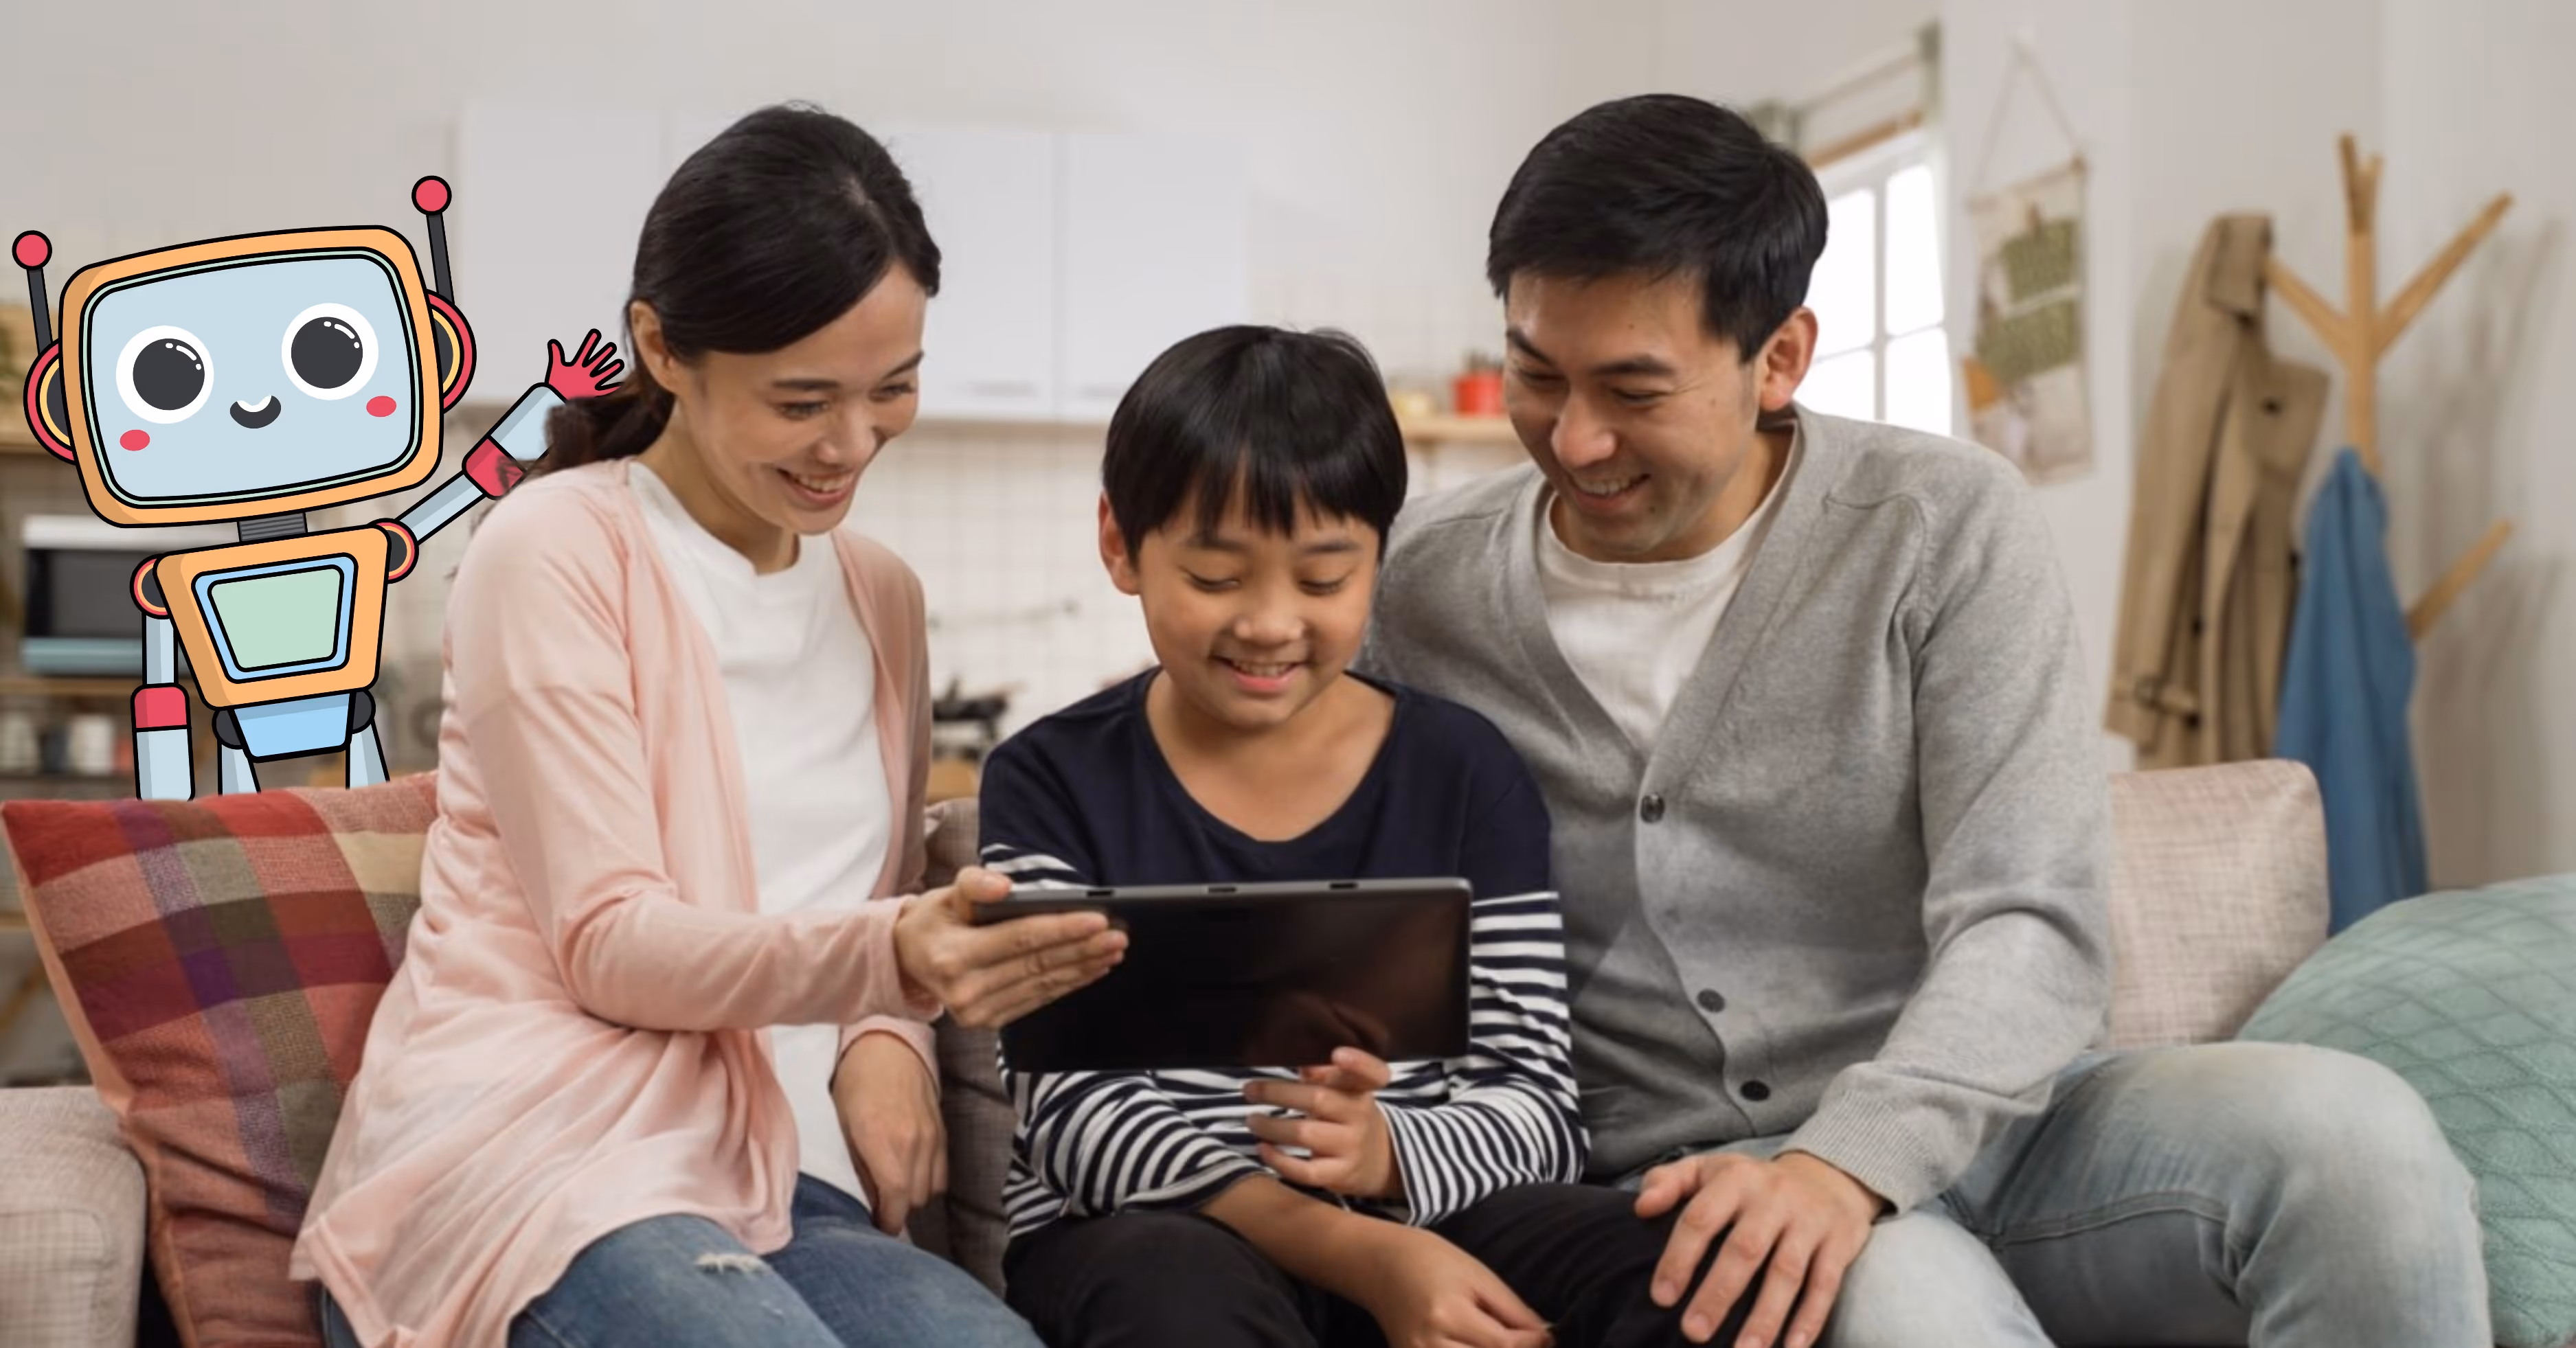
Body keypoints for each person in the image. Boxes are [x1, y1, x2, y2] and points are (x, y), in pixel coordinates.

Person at [1358, 93, 2489, 1348]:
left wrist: (1849, 1160)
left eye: (1633, 387)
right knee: (1907, 1306)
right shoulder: (1415, 585)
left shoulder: (1940, 523)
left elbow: (2031, 912)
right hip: (1695, 1179)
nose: (1574, 438)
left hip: (2025, 1129)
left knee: (2359, 1141)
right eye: (1535, 374)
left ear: (1779, 356)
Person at [291, 104, 1125, 1348]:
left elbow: (879, 874)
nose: (851, 444)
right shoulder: (556, 547)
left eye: (892, 388)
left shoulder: (880, 594)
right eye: (800, 401)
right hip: (541, 1161)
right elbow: (613, 945)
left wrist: (884, 1032)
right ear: (663, 350)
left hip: (784, 1172)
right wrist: (894, 963)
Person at [976, 323, 1754, 1348]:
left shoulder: (1462, 771)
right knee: (1170, 1299)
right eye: (1215, 578)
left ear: (1380, 559)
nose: (1268, 622)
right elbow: (1071, 1116)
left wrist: (1385, 1151)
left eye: (1322, 577)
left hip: (1427, 1207)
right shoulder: (1050, 778)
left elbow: (1538, 1107)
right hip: (1160, 1229)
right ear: (1121, 543)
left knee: (1694, 1278)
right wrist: (1364, 1254)